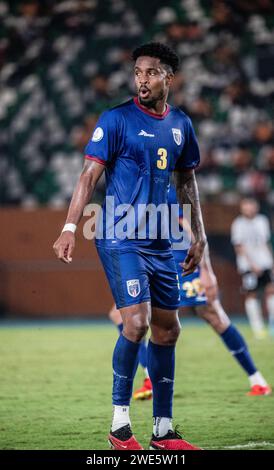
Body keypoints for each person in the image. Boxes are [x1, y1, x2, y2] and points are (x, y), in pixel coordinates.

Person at [53, 42, 207, 450]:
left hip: (160, 241)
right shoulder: (116, 119)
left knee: (169, 330)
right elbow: (88, 177)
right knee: (136, 324)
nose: (142, 79)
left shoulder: (181, 125)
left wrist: (198, 235)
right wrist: (70, 226)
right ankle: (120, 426)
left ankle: (163, 429)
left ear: (168, 78)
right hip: (119, 237)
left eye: (151, 72)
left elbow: (187, 182)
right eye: (138, 72)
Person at [109, 186, 271, 399]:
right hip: (154, 259)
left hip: (179, 261)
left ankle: (257, 379)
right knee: (124, 315)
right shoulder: (141, 183)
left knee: (212, 314)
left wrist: (206, 270)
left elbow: (190, 228)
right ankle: (149, 378)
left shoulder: (164, 187)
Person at [231, 197, 274, 339]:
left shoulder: (262, 221)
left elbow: (265, 242)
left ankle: (272, 325)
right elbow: (239, 247)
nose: (249, 209)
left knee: (270, 290)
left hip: (265, 262)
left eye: (251, 206)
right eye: (246, 206)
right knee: (251, 293)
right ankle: (258, 328)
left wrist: (271, 261)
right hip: (248, 266)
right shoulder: (238, 224)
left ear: (256, 207)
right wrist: (252, 264)